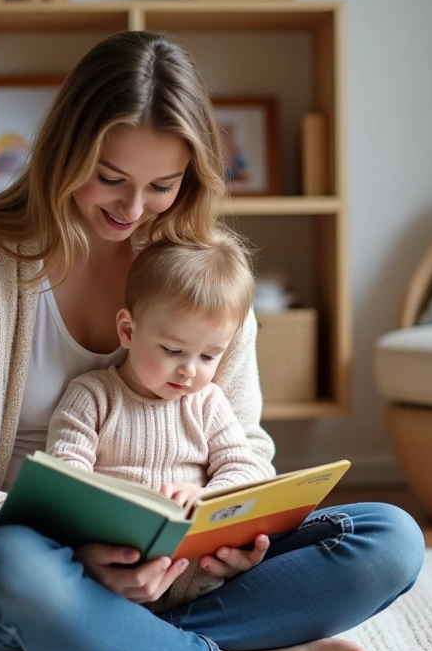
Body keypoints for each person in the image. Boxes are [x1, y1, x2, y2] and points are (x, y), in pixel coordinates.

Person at [0, 29, 425, 651]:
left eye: (162, 185)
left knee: (388, 540)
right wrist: (60, 549)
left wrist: (231, 535)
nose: (132, 209)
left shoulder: (205, 276)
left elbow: (244, 445)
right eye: (109, 178)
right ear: (64, 151)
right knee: (17, 567)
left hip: (174, 574)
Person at [44, 231, 277, 613]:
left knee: (367, 535)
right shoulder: (92, 395)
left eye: (209, 356)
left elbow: (246, 466)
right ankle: (204, 642)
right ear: (128, 330)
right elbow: (65, 478)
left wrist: (209, 498)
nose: (189, 370)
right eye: (173, 350)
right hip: (112, 579)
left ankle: (179, 638)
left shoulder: (208, 402)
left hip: (201, 579)